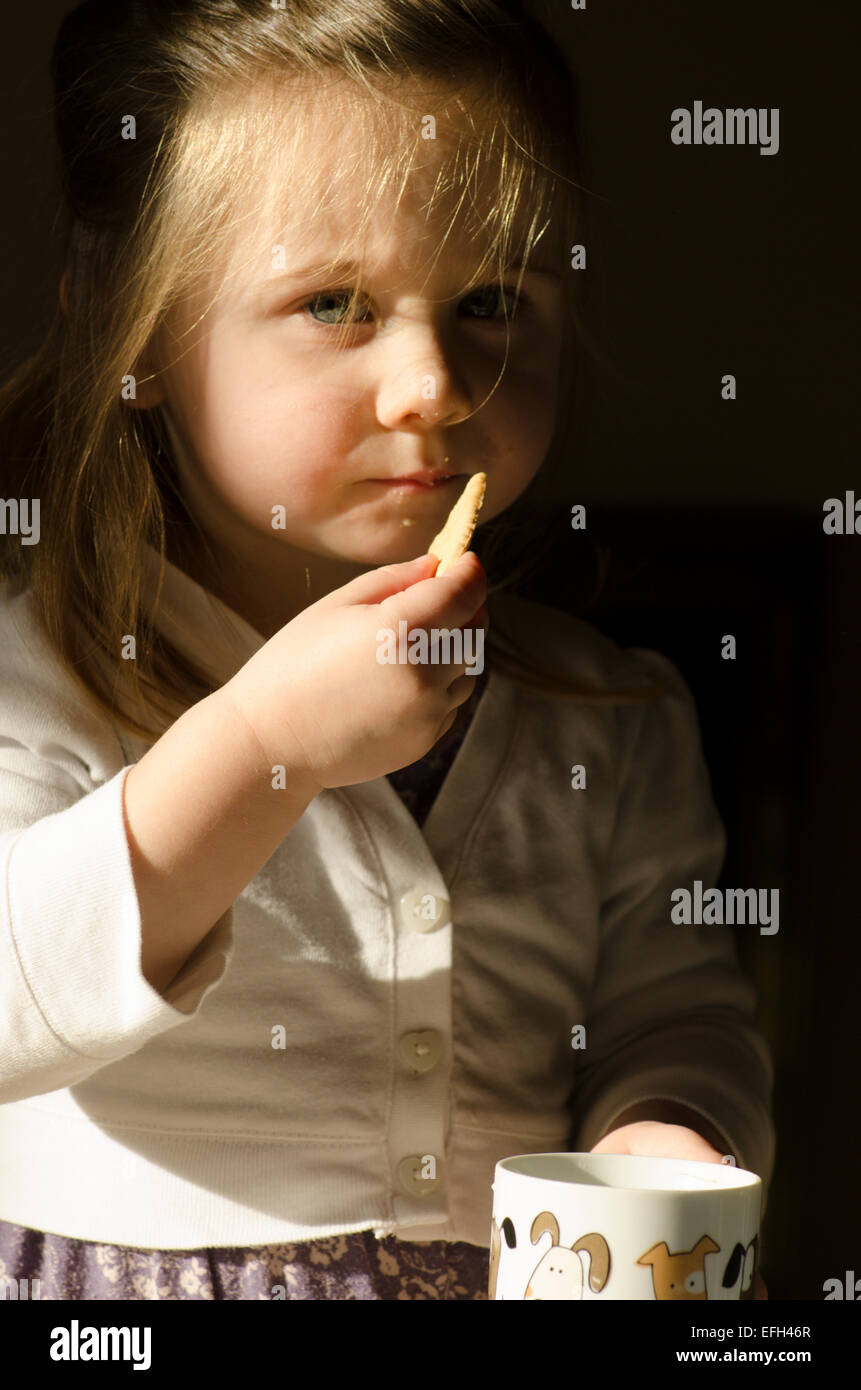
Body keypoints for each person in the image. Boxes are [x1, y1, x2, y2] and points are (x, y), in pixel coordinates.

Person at [0, 0, 774, 1300]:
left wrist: (661, 1127)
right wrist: (262, 747)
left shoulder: (611, 707)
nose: (433, 381)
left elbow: (673, 1009)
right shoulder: (41, 667)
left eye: (488, 300)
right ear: (124, 331)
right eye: (332, 303)